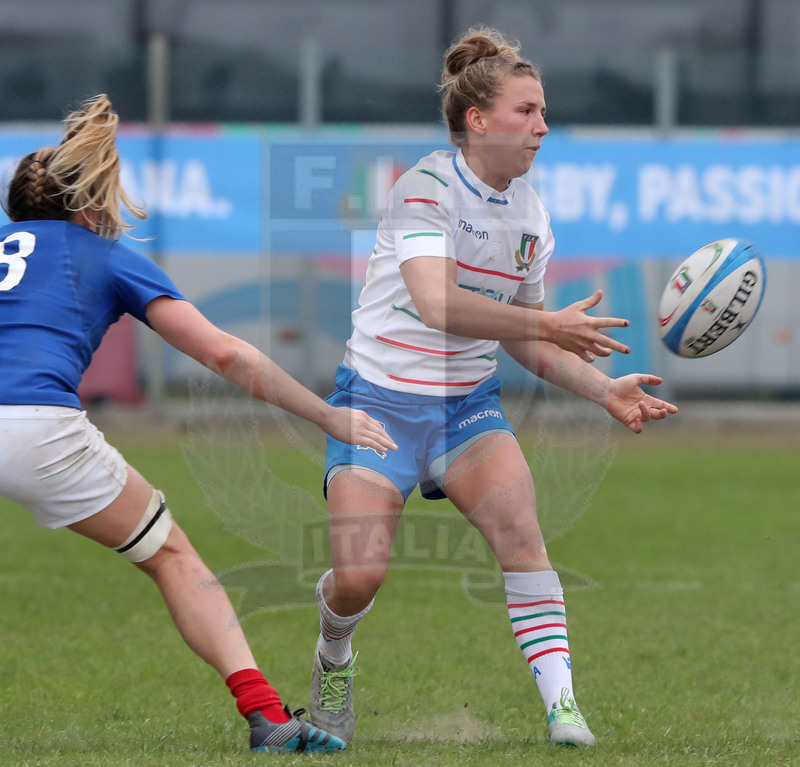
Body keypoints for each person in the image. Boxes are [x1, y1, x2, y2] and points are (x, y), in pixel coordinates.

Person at [305, 27, 678, 748]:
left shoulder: (531, 213)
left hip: (466, 409)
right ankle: (333, 654)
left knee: (523, 538)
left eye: (543, 112)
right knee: (359, 576)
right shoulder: (424, 189)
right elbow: (438, 303)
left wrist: (604, 390)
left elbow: (520, 337)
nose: (542, 126)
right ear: (478, 119)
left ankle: (564, 707)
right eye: (527, 110)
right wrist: (547, 325)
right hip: (376, 405)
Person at [0, 94, 398, 755]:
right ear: (86, 201)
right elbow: (224, 352)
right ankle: (267, 716)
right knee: (173, 555)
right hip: (38, 427)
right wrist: (327, 412)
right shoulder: (103, 254)